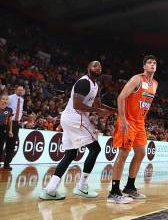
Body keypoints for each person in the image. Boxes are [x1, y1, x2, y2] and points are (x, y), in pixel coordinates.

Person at [40, 61, 115, 200]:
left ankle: (50, 189)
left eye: (99, 66)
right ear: (88, 68)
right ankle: (81, 186)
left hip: (69, 119)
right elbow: (77, 104)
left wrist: (114, 110)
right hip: (76, 117)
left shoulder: (96, 86)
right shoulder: (84, 83)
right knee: (95, 149)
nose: (97, 67)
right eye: (94, 65)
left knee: (70, 154)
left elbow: (98, 104)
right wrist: (99, 111)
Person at [108, 55, 158, 204]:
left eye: (154, 63)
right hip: (128, 121)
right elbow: (121, 97)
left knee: (141, 153)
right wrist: (122, 118)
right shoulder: (137, 79)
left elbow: (143, 104)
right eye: (149, 63)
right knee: (123, 153)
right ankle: (114, 192)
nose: (152, 65)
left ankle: (129, 187)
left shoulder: (155, 83)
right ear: (144, 66)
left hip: (140, 123)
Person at [3, 86, 24, 170]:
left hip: (16, 123)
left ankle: (6, 164)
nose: (20, 91)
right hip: (7, 121)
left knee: (11, 144)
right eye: (19, 90)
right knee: (2, 141)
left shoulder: (22, 100)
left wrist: (19, 119)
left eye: (21, 90)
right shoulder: (10, 98)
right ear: (15, 90)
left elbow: (20, 110)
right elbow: (4, 107)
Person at [0, 94, 12, 165]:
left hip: (3, 128)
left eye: (6, 99)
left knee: (1, 146)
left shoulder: (9, 109)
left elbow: (9, 121)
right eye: (3, 99)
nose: (5, 100)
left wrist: (10, 130)